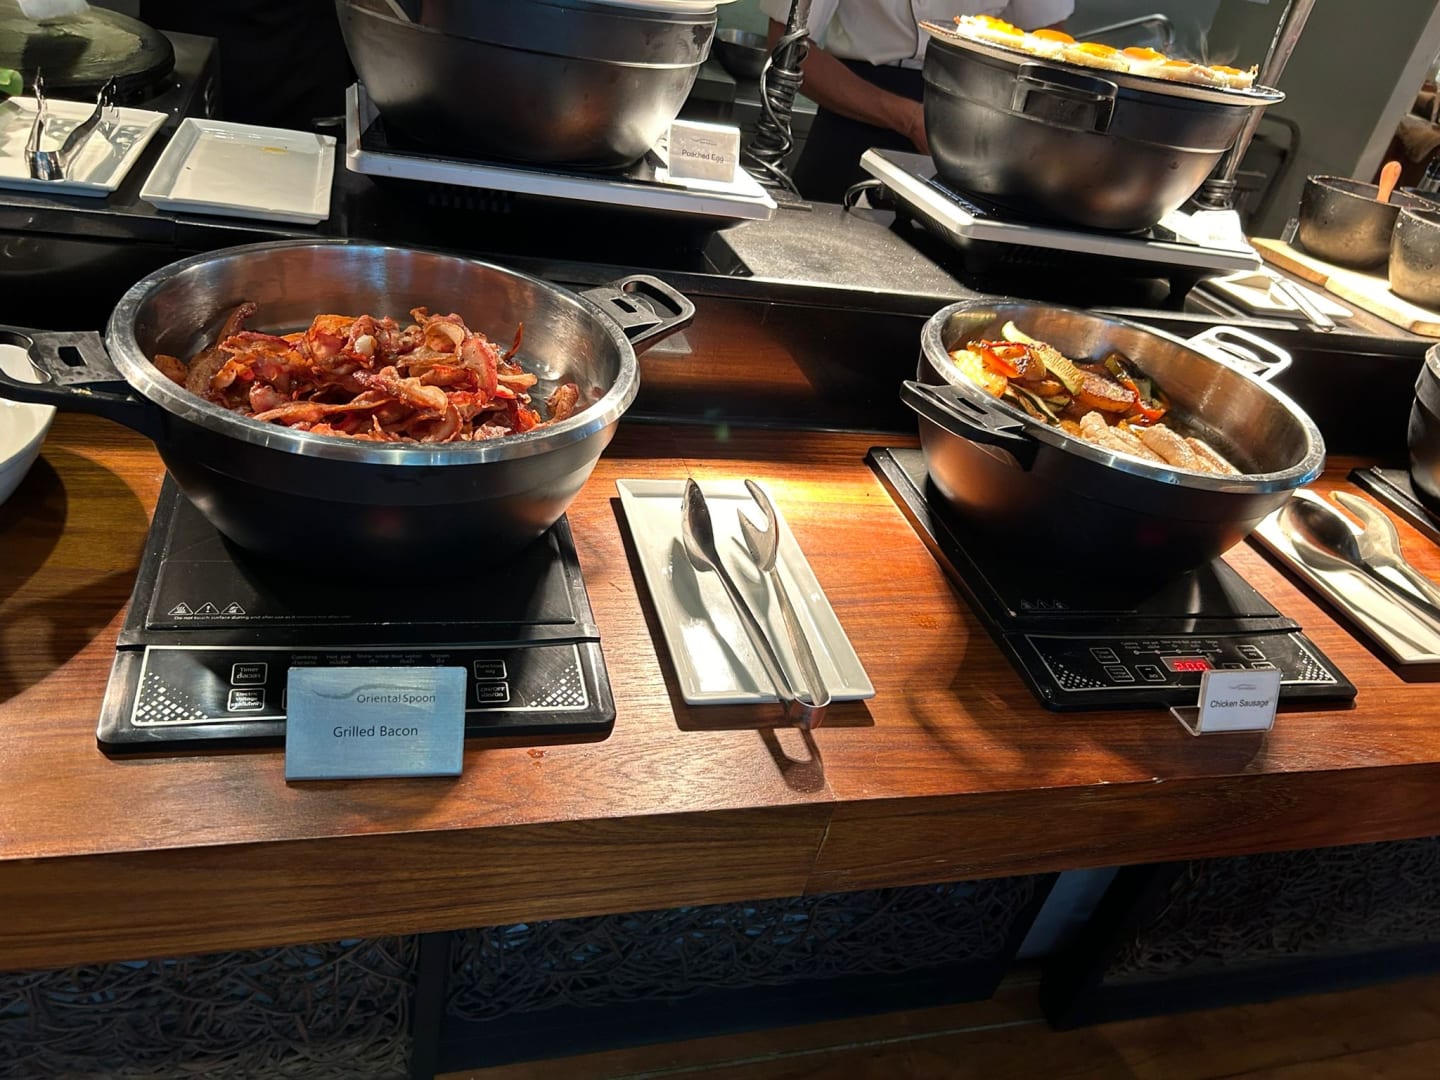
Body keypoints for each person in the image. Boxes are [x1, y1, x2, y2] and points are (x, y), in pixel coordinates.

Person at [759, 1, 1074, 202]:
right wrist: (909, 118)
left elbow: (1048, 42)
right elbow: (786, 47)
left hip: (973, 119)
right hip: (856, 112)